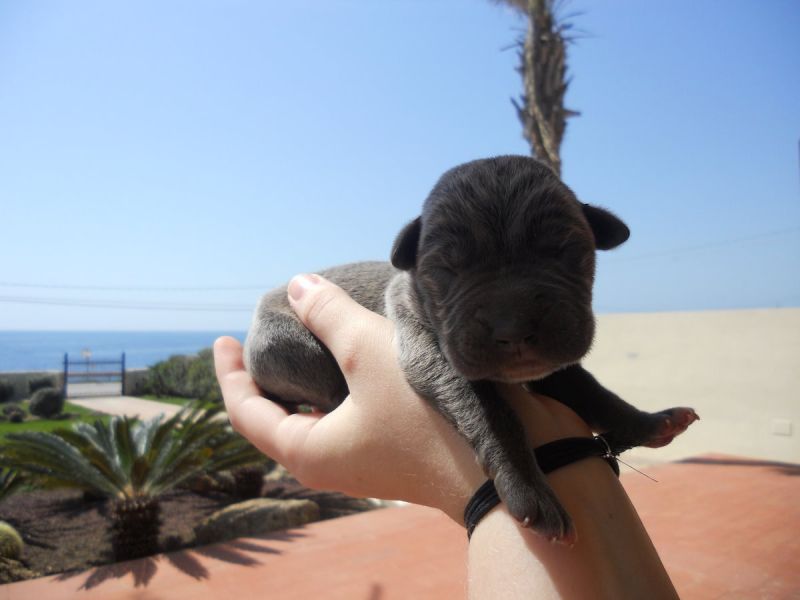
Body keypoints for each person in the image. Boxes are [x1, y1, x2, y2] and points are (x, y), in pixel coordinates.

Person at [214, 274, 679, 599]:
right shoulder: (431, 307)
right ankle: (342, 395)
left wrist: (626, 425)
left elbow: (569, 381)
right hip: (285, 332)